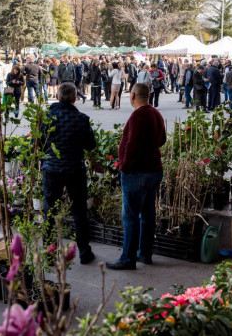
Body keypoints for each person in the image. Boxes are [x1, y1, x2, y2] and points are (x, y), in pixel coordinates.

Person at [107, 83, 166, 270]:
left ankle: (127, 258)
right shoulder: (155, 112)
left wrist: (123, 167)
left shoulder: (137, 116)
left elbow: (130, 147)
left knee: (131, 216)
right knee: (147, 214)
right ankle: (145, 254)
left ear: (132, 95)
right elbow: (162, 139)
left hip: (137, 172)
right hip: (154, 170)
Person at [41, 83, 96, 265]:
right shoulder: (82, 119)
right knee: (79, 210)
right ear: (74, 99)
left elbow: (38, 143)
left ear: (57, 97)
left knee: (50, 210)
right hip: (75, 170)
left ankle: (49, 255)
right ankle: (85, 252)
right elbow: (90, 145)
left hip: (52, 170)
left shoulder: (46, 118)